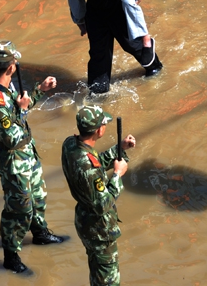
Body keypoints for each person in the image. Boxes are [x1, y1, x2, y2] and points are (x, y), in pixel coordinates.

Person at [0, 41, 65, 273]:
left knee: (38, 197)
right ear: (10, 67)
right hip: (14, 160)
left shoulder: (5, 86)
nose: (17, 63)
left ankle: (40, 234)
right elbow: (11, 137)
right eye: (14, 61)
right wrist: (24, 109)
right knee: (18, 209)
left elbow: (18, 109)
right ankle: (11, 256)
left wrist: (39, 90)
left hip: (26, 153)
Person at [61, 105, 136, 286]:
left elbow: (93, 161)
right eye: (104, 124)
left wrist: (119, 148)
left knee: (97, 272)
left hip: (84, 221)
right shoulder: (89, 167)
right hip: (99, 229)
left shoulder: (70, 144)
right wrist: (117, 174)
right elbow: (103, 205)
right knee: (107, 279)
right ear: (99, 130)